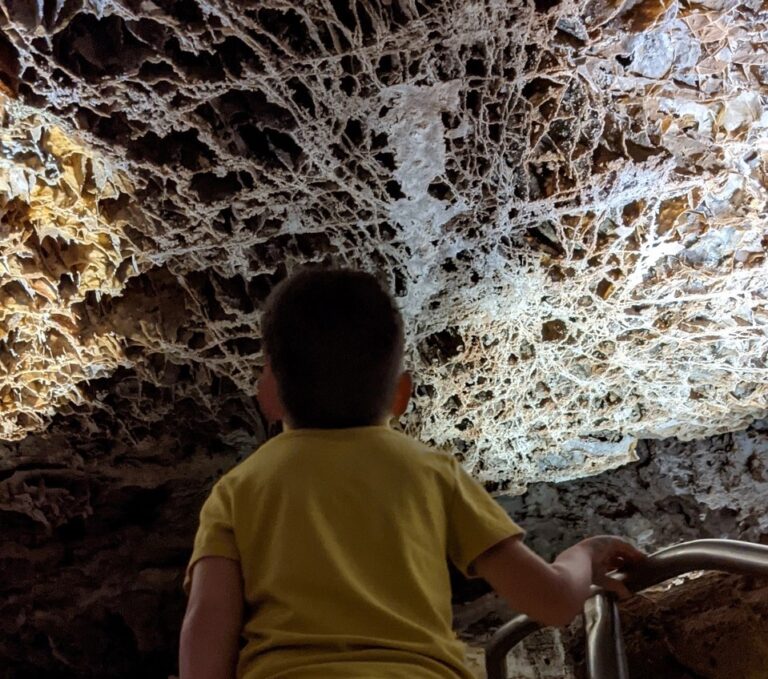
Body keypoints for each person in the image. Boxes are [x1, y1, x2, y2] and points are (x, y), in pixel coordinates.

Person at [179, 268, 644, 679]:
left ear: (269, 392)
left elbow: (207, 624)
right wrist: (583, 555)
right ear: (401, 395)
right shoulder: (431, 473)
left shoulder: (238, 489)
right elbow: (554, 601)